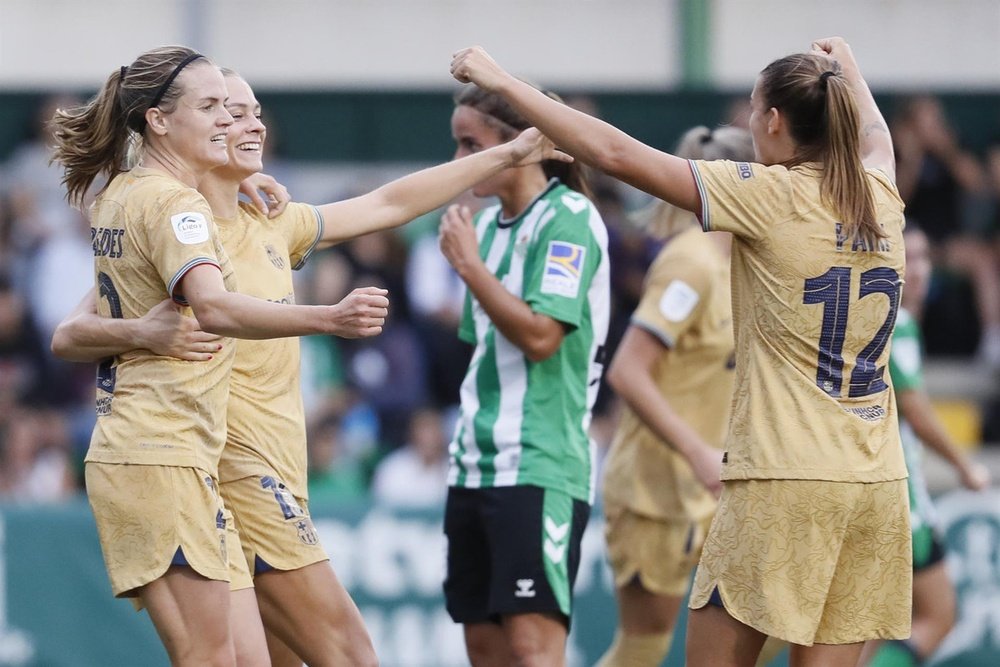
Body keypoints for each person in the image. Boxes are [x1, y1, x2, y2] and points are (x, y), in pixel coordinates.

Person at [52, 65, 571, 667]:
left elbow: (390, 201)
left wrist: (507, 155)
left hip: (260, 467)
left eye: (249, 111)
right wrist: (323, 318)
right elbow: (77, 329)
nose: (245, 123)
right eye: (225, 109)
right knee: (346, 655)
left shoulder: (271, 218)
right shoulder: (181, 220)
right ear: (172, 123)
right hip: (233, 471)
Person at [450, 36, 910, 667]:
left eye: (752, 111)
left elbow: (612, 151)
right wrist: (851, 71)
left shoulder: (771, 196)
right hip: (876, 479)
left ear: (774, 122)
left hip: (784, 476)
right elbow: (876, 137)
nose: (749, 127)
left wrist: (503, 82)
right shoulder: (882, 196)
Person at [48, 46, 391, 667]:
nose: (230, 124)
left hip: (175, 457)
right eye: (213, 109)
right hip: (162, 452)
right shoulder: (175, 206)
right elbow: (214, 306)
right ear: (158, 121)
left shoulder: (128, 194)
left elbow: (70, 333)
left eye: (235, 112)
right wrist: (328, 318)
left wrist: (226, 182)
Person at [597, 125, 787, 667]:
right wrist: (697, 451)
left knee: (775, 625)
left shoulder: (748, 262)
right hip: (658, 488)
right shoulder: (692, 263)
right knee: (643, 646)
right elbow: (629, 372)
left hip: (722, 487)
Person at [438, 82, 610, 667]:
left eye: (471, 144)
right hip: (473, 460)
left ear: (523, 146)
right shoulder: (483, 228)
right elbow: (481, 350)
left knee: (534, 649)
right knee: (484, 646)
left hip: (541, 460)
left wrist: (469, 268)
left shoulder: (570, 219)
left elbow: (540, 337)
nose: (461, 162)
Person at [861, 222, 992, 667]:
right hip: (901, 501)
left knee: (875, 628)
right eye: (906, 257)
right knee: (936, 615)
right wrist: (964, 465)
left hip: (875, 493)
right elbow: (914, 409)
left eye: (923, 258)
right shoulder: (894, 321)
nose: (916, 270)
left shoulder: (882, 316)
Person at [891, 96, 1000, 368]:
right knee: (913, 271)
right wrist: (913, 158)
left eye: (935, 120)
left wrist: (947, 150)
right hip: (910, 239)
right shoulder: (898, 150)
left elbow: (977, 185)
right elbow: (897, 198)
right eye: (923, 121)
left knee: (983, 261)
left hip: (948, 242)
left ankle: (992, 340)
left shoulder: (951, 147)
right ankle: (907, 349)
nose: (930, 127)